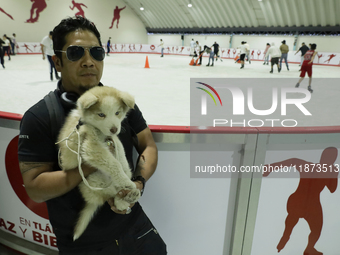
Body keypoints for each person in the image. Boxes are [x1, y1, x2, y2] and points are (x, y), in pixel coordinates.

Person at [18, 16, 166, 255]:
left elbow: (148, 145)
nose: (89, 62)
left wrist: (137, 185)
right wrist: (88, 165)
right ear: (57, 62)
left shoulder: (117, 102)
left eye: (96, 53)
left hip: (137, 229)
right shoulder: (41, 116)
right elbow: (35, 187)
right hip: (84, 245)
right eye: (76, 53)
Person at [263, 147, 338, 255]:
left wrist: (270, 167)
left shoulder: (313, 167)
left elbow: (293, 161)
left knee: (312, 227)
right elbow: (332, 188)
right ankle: (292, 240)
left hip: (304, 202)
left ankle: (303, 245)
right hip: (305, 203)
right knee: (297, 223)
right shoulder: (314, 168)